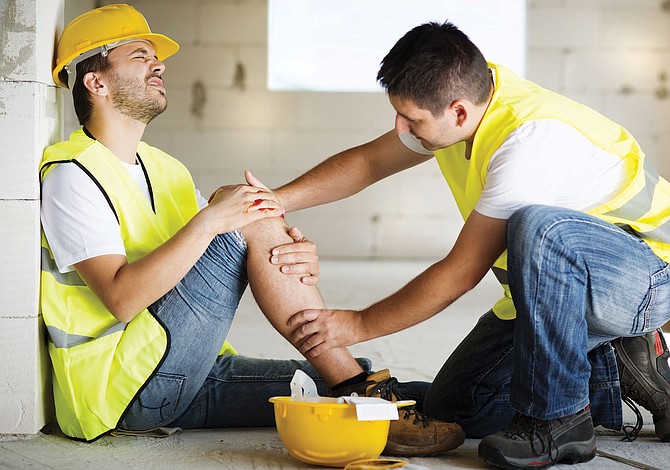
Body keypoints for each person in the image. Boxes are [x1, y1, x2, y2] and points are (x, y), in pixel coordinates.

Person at [40, 4, 466, 456]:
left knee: (414, 394)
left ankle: (381, 392)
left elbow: (225, 246)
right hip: (122, 390)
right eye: (140, 54)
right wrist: (224, 221)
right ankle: (358, 387)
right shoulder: (73, 174)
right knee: (249, 209)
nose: (159, 63)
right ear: (96, 81)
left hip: (187, 371)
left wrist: (289, 251)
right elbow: (121, 300)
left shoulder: (166, 170)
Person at [273, 20, 670, 469]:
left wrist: (358, 324)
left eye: (412, 120)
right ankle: (619, 371)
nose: (401, 128)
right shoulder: (466, 102)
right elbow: (367, 162)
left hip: (645, 277)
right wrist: (275, 199)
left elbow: (461, 273)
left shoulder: (528, 141)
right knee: (456, 410)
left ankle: (560, 419)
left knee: (540, 227)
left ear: (458, 112)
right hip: (563, 293)